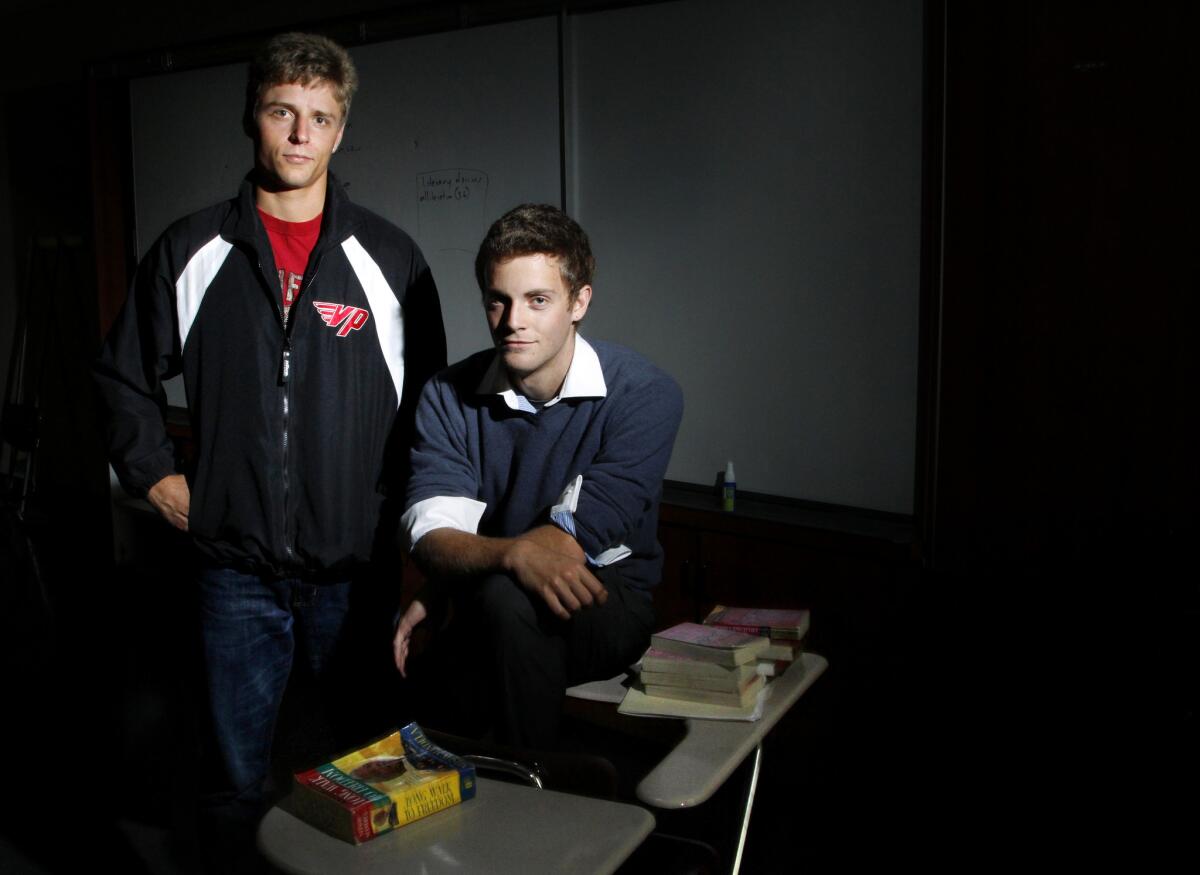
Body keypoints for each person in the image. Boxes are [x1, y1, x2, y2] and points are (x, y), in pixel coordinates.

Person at [94, 32, 445, 869]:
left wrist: (414, 545)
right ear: (251, 118)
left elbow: (435, 414)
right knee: (232, 780)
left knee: (380, 771)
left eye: (318, 117)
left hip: (353, 570)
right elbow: (120, 375)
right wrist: (157, 478)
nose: (299, 133)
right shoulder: (191, 251)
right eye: (281, 111)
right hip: (232, 570)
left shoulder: (389, 259)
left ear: (339, 131)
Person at [393, 203, 682, 748]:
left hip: (608, 598)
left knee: (497, 606)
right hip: (493, 593)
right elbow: (431, 538)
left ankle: (531, 794)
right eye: (497, 301)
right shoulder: (448, 394)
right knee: (437, 652)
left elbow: (573, 540)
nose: (513, 321)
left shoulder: (643, 394)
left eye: (538, 300)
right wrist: (475, 565)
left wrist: (458, 573)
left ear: (579, 303)